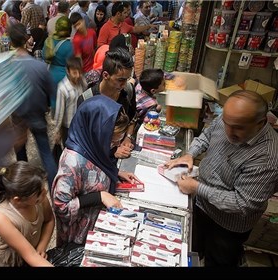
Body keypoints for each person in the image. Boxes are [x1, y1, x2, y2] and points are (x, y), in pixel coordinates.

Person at [164, 90, 278, 267]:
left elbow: (243, 204)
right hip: (202, 206)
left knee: (219, 260)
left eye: (239, 128)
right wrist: (190, 154)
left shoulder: (267, 157)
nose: (229, 132)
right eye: (227, 123)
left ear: (261, 123)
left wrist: (196, 188)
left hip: (227, 226)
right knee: (192, 249)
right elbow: (206, 137)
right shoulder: (227, 119)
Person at [52, 95, 141, 247]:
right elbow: (61, 206)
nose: (116, 145)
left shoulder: (94, 145)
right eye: (112, 140)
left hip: (97, 224)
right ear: (95, 131)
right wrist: (99, 197)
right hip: (78, 239)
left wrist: (116, 173)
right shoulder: (72, 162)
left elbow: (96, 167)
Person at [8, 22, 58, 191]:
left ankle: (25, 189)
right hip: (37, 115)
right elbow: (52, 92)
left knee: (21, 156)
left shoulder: (6, 68)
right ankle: (54, 190)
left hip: (17, 118)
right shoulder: (40, 66)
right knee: (45, 153)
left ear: (10, 41)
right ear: (26, 39)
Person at [78, 48, 137, 160]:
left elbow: (132, 116)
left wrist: (128, 137)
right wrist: (112, 150)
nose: (124, 84)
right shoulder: (87, 100)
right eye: (120, 80)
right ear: (105, 75)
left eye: (127, 79)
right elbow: (84, 138)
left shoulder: (128, 90)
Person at [0, 161, 54, 267]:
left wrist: (42, 246)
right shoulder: (1, 218)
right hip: (13, 262)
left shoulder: (40, 199)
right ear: (18, 200)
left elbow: (49, 220)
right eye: (39, 193)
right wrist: (36, 254)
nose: (45, 192)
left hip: (34, 254)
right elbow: (30, 255)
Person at [53, 56, 86, 162]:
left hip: (80, 123)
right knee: (70, 152)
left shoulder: (82, 82)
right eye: (74, 72)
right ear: (67, 71)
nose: (78, 75)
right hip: (68, 127)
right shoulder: (62, 88)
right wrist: (57, 130)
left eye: (79, 72)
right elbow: (59, 111)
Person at [42, 16, 74, 113]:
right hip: (64, 76)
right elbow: (72, 63)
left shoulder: (49, 41)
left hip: (50, 73)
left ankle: (53, 119)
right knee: (63, 104)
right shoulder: (69, 45)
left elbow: (44, 56)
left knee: (53, 102)